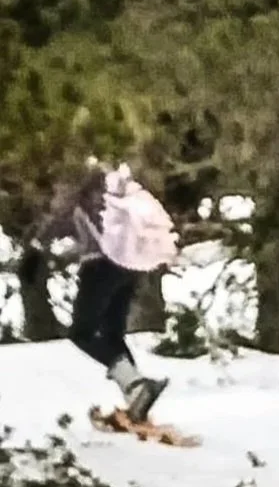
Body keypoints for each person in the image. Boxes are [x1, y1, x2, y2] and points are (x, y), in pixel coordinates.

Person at [38, 162, 178, 423]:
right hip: (128, 266)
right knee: (112, 335)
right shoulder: (109, 184)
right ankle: (137, 398)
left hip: (100, 267)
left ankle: (136, 387)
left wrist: (36, 245)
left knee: (81, 333)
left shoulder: (78, 186)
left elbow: (62, 218)